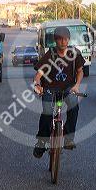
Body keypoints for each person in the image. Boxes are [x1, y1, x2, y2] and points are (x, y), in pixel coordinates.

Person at [33, 26, 85, 158]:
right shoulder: (50, 54)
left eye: (65, 39)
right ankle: (41, 142)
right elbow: (39, 73)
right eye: (60, 39)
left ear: (69, 39)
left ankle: (68, 138)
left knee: (74, 104)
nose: (63, 41)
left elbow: (80, 71)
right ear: (55, 40)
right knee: (47, 112)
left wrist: (77, 85)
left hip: (68, 88)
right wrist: (38, 85)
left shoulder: (75, 54)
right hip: (50, 88)